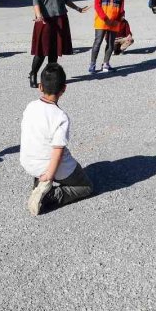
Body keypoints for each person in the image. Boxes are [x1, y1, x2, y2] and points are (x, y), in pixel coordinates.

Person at [21, 63, 93, 216]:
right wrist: (50, 174)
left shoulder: (30, 106)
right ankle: (49, 196)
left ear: (40, 87)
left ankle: (39, 182)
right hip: (49, 167)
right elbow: (58, 151)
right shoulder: (60, 117)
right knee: (86, 186)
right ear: (64, 89)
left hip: (29, 163)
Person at [29, 0, 89, 88]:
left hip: (60, 18)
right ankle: (33, 74)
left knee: (54, 51)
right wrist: (39, 15)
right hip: (45, 20)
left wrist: (77, 8)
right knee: (42, 50)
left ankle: (50, 78)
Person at [89, 0, 124, 73]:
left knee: (110, 43)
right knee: (98, 42)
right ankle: (92, 64)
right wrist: (105, 18)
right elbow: (97, 5)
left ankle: (106, 64)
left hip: (114, 20)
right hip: (102, 20)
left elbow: (121, 6)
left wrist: (119, 18)